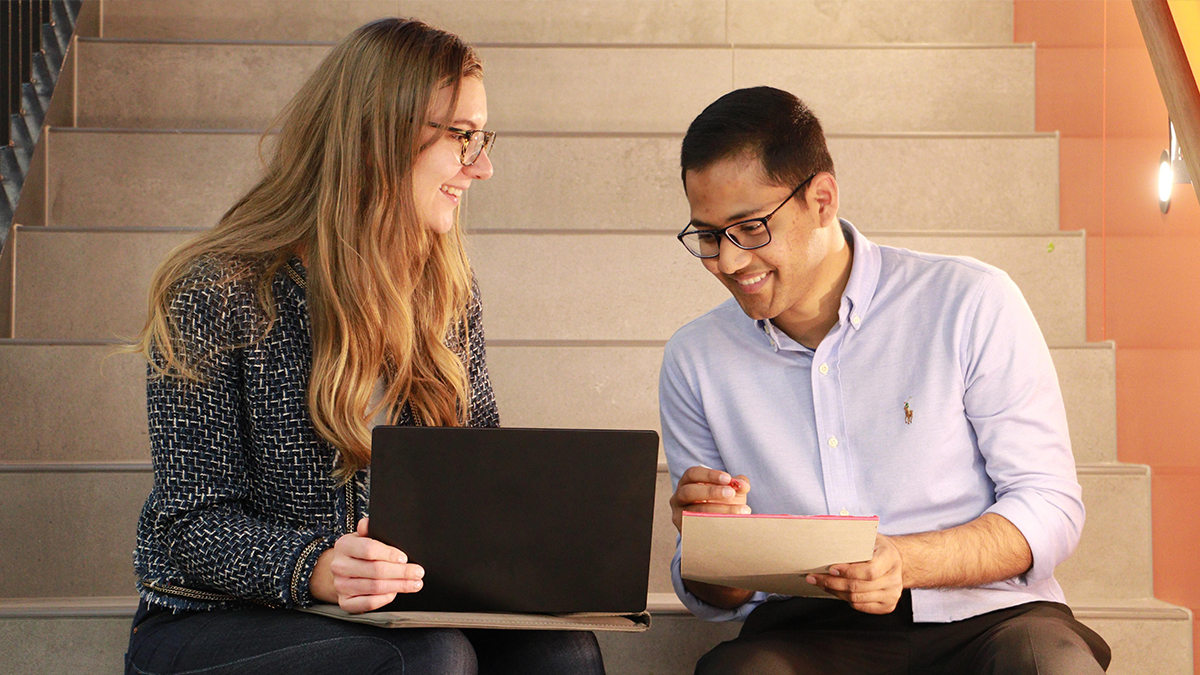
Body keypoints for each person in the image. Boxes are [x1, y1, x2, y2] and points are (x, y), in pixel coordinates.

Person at [123, 18, 604, 675]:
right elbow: (189, 526)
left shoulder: (445, 291)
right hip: (212, 620)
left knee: (563, 651)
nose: (483, 166)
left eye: (481, 137)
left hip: (391, 613)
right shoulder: (214, 290)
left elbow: (480, 472)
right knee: (431, 657)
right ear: (383, 136)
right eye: (462, 136)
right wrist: (314, 565)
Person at [660, 86, 1112, 674]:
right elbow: (716, 598)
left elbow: (1049, 505)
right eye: (709, 236)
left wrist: (904, 560)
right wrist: (713, 549)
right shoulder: (695, 359)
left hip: (990, 619)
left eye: (749, 228)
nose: (728, 262)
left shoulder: (969, 301)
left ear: (822, 199)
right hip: (807, 632)